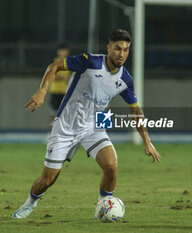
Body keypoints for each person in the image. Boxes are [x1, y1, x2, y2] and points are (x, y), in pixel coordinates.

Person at [13, 29, 161, 219]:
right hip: (66, 125)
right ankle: (30, 203)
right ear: (109, 48)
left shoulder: (125, 79)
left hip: (95, 126)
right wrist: (42, 92)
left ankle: (104, 205)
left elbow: (136, 111)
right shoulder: (90, 62)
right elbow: (54, 66)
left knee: (111, 166)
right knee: (48, 179)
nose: (121, 54)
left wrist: (147, 141)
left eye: (125, 50)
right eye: (117, 49)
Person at [48, 44, 71, 122]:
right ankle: (53, 133)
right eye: (61, 51)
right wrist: (64, 77)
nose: (63, 53)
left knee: (66, 115)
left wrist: (61, 77)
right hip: (55, 92)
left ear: (68, 52)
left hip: (66, 93)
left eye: (64, 51)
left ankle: (65, 134)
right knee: (54, 115)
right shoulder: (54, 63)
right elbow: (52, 76)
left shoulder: (71, 63)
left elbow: (71, 78)